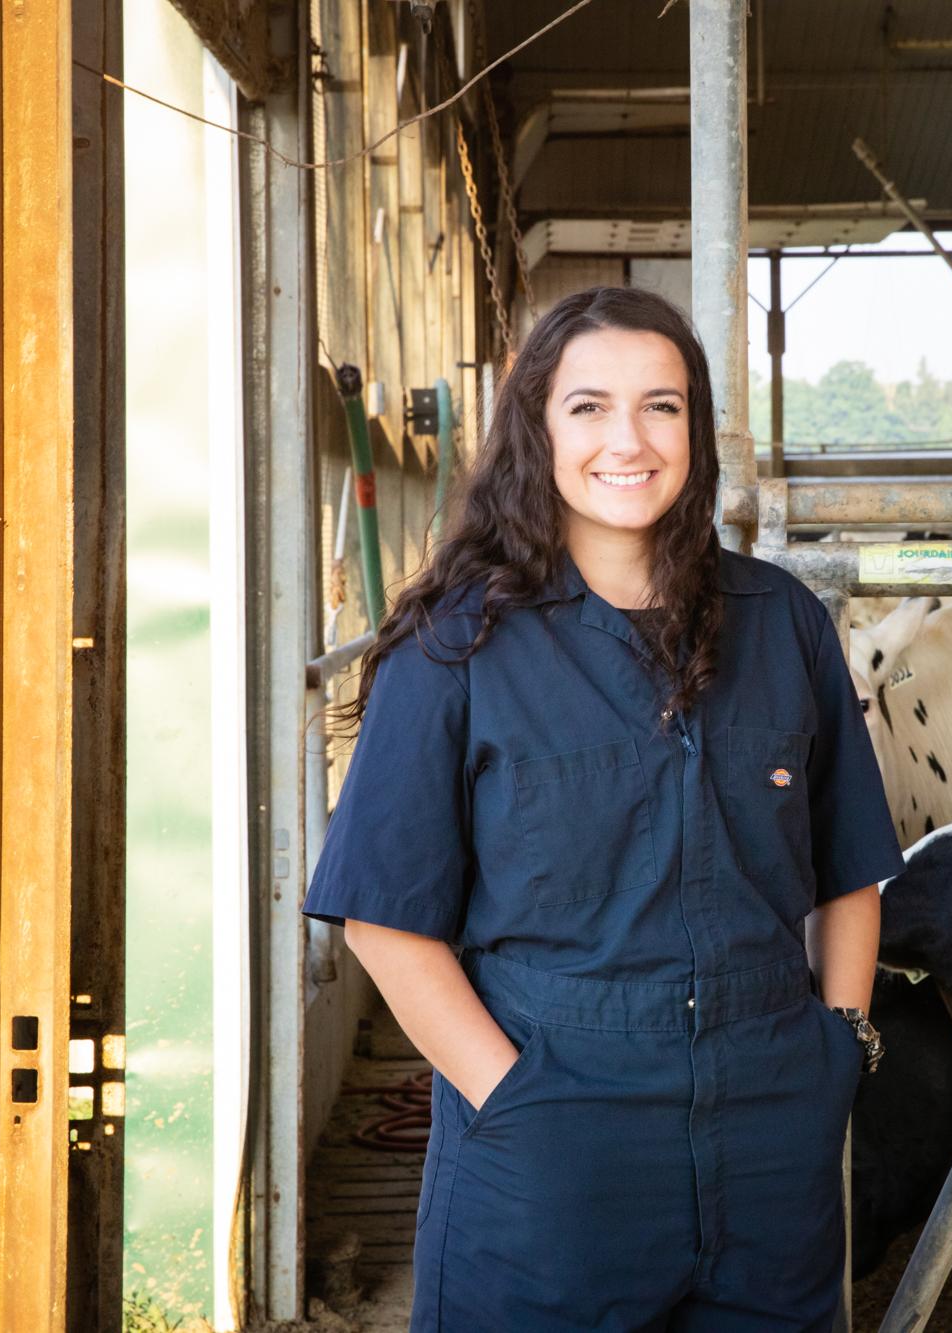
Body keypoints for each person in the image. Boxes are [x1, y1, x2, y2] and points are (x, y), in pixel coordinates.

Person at [303, 285, 906, 1331]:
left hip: (769, 1129)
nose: (627, 439)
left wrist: (835, 1047)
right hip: (551, 1138)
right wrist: (514, 1100)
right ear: (535, 429)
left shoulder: (783, 623)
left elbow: (848, 865)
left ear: (695, 428)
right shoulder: (456, 647)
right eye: (587, 406)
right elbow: (384, 918)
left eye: (660, 406)